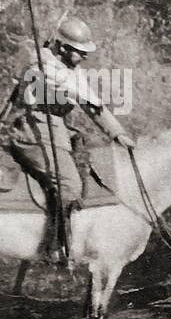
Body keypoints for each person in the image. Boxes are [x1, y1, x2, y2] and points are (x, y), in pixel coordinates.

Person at [8, 16, 134, 260]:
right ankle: (54, 247)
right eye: (79, 52)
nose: (84, 57)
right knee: (70, 186)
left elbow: (92, 105)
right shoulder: (39, 64)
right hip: (35, 129)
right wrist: (45, 80)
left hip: (57, 129)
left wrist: (118, 134)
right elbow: (25, 96)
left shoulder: (70, 70)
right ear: (63, 48)